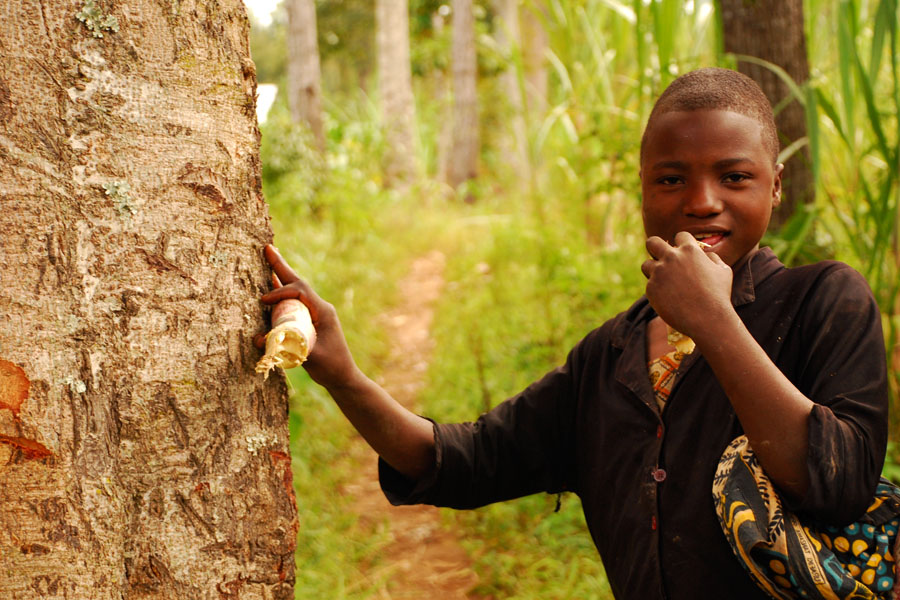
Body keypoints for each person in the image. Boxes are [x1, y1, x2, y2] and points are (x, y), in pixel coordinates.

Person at [255, 68, 891, 599]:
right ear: (642, 190)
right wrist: (345, 376)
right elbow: (462, 461)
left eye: (734, 177)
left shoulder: (823, 301)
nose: (701, 200)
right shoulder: (608, 358)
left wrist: (713, 320)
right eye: (671, 179)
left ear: (776, 185)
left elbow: (839, 484)